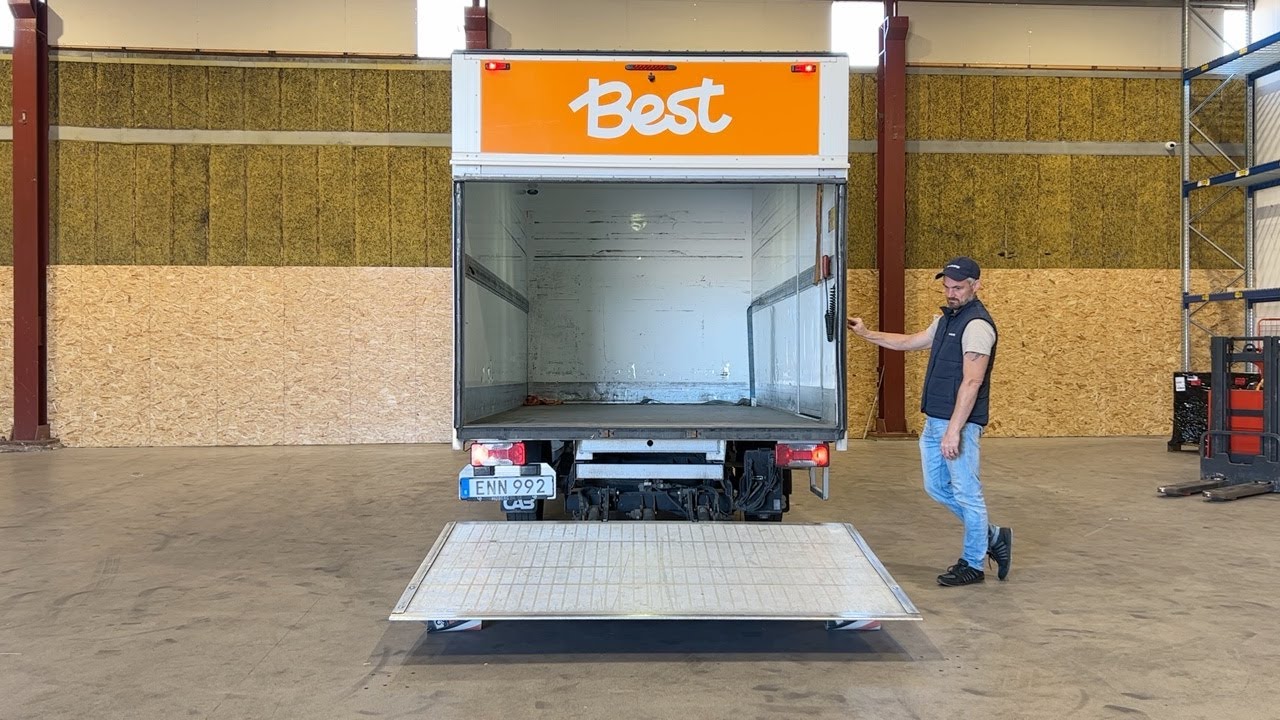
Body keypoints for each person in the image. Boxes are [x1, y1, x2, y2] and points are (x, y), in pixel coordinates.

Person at [847, 256, 1012, 587]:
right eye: (947, 287)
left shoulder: (977, 327)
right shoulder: (947, 320)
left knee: (968, 494)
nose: (951, 293)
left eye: (958, 288)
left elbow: (972, 382)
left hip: (958, 425)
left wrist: (954, 431)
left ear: (976, 286)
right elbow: (909, 342)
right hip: (936, 421)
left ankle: (973, 563)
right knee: (936, 487)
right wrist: (866, 333)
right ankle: (992, 535)